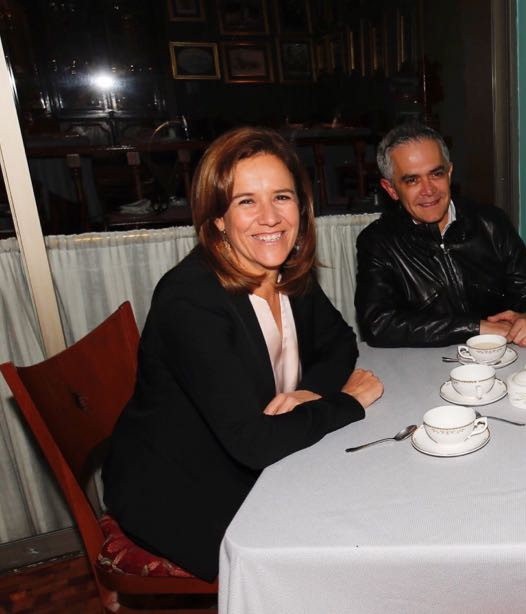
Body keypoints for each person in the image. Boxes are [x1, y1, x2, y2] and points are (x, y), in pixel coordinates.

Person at [102, 127, 383, 581]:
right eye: (246, 201)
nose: (270, 218)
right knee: (326, 557)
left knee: (367, 500)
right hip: (179, 485)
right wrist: (347, 402)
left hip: (250, 454)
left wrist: (310, 392)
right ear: (217, 218)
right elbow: (253, 443)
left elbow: (339, 342)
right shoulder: (189, 300)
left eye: (283, 197)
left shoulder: (285, 269)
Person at [355, 122, 526, 348]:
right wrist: (475, 327)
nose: (428, 190)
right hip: (423, 367)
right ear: (391, 189)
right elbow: (378, 324)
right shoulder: (377, 241)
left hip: (504, 359)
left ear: (449, 173)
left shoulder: (491, 223)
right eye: (412, 180)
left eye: (436, 174)